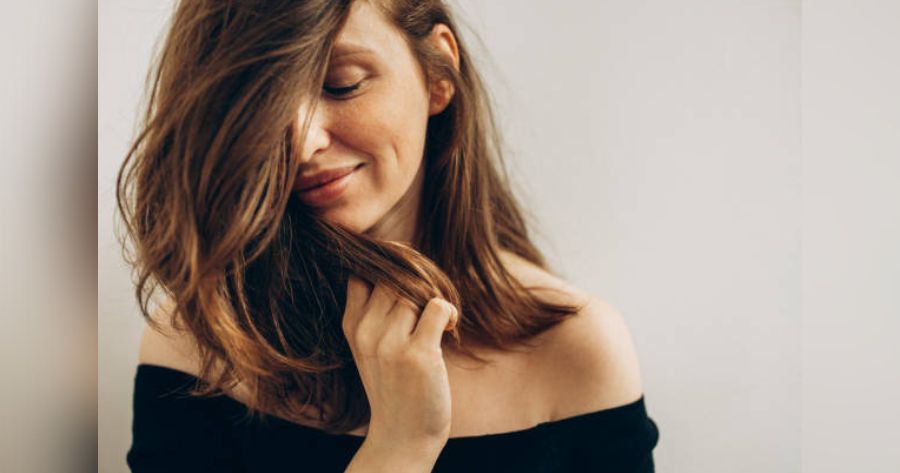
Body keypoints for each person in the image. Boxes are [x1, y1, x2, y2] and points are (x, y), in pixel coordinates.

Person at [116, 0, 659, 471]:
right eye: (263, 101)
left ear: (439, 74)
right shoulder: (199, 347)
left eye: (342, 84)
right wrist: (399, 450)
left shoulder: (576, 351)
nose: (302, 141)